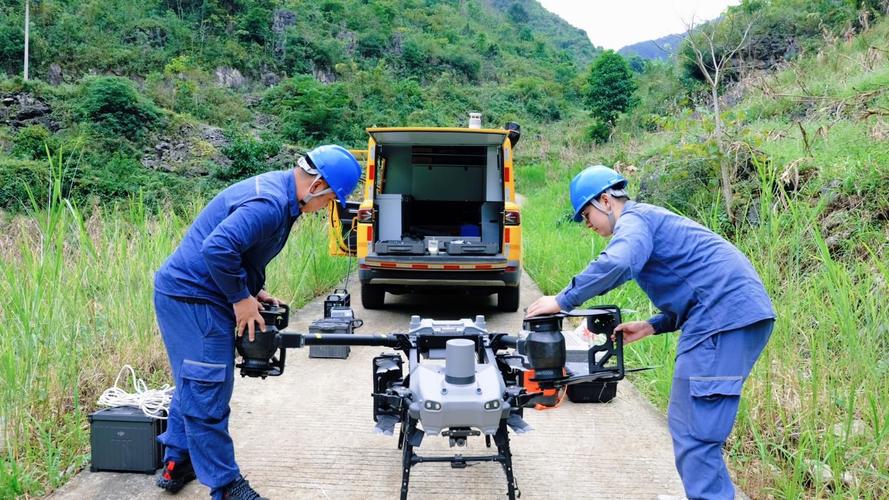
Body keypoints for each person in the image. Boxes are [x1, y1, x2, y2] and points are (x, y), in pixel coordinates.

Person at [526, 165, 775, 499]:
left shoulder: (633, 222)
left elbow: (618, 263)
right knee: (691, 425)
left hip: (721, 319)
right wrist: (651, 325)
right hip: (726, 315)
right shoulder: (649, 221)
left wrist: (562, 300)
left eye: (586, 214)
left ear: (605, 200)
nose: (587, 224)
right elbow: (693, 288)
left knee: (695, 432)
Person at [152, 145, 361, 500]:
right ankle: (226, 487)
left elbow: (240, 250)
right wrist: (240, 299)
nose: (325, 208)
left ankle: (177, 462)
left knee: (195, 379)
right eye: (329, 200)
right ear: (317, 186)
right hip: (193, 298)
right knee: (207, 386)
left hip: (198, 292)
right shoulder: (269, 205)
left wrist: (255, 290)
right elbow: (217, 248)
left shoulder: (282, 197)